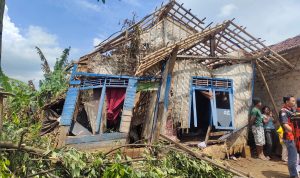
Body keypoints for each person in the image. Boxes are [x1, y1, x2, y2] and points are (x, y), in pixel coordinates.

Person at [279, 96, 298, 178]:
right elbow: (285, 125)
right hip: (289, 136)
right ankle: (293, 175)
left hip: (294, 136)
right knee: (292, 157)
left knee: (294, 156)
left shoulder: (291, 110)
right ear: (287, 102)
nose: (294, 102)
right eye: (292, 101)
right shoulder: (283, 111)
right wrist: (293, 131)